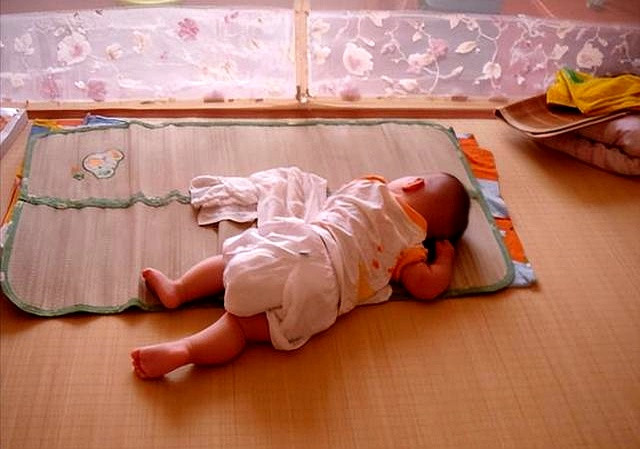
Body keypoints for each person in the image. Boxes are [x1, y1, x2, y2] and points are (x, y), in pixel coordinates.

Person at [131, 171, 470, 379]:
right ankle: (186, 351)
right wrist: (445, 259)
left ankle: (179, 289)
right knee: (242, 326)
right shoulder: (411, 245)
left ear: (413, 182)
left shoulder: (372, 185)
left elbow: (337, 199)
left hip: (306, 242)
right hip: (327, 290)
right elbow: (426, 286)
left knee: (231, 261)